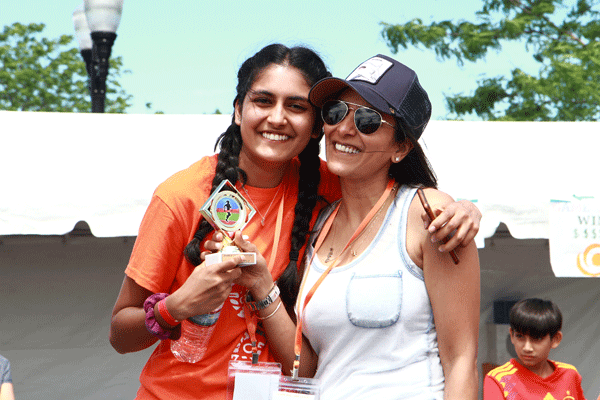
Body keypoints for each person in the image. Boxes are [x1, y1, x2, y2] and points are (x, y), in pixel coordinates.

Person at [109, 44, 482, 400]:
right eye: (263, 100)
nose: (277, 118)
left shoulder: (328, 188)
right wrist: (177, 305)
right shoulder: (182, 196)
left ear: (313, 126)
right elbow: (119, 335)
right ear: (239, 110)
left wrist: (463, 208)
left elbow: (392, 192)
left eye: (297, 106)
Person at [219, 54, 481, 400]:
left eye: (369, 120)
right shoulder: (319, 222)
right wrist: (261, 284)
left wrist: (466, 208)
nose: (344, 128)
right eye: (335, 112)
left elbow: (461, 360)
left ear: (401, 147)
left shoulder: (429, 215)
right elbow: (308, 369)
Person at [484, 298, 586, 399]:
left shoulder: (569, 374)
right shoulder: (498, 379)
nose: (527, 348)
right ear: (511, 335)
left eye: (537, 338)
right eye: (520, 336)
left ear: (555, 339)